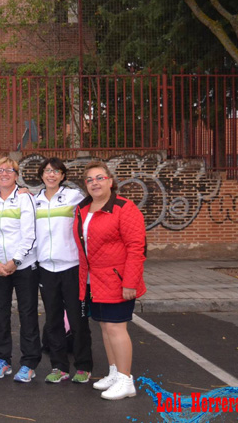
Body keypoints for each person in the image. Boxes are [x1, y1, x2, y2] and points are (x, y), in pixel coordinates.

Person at [74, 161, 146, 400]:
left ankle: (126, 380)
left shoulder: (124, 208)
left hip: (117, 280)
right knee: (105, 327)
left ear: (110, 181)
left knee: (116, 328)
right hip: (93, 280)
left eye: (99, 178)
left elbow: (136, 247)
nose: (95, 183)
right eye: (90, 179)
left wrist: (130, 282)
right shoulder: (84, 208)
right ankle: (115, 373)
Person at [0, 157, 40, 383]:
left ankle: (28, 363)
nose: (4, 173)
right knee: (0, 315)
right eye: (0, 170)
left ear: (16, 174)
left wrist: (15, 260)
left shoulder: (25, 199)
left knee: (27, 314)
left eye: (9, 170)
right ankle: (2, 360)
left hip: (24, 267)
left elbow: (30, 234)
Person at [34, 157, 93, 384]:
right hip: (46, 268)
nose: (51, 175)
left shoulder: (74, 197)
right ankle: (59, 367)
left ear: (62, 176)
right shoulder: (34, 200)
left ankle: (83, 366)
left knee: (78, 320)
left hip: (72, 267)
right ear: (41, 175)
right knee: (53, 320)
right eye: (47, 171)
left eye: (56, 171)